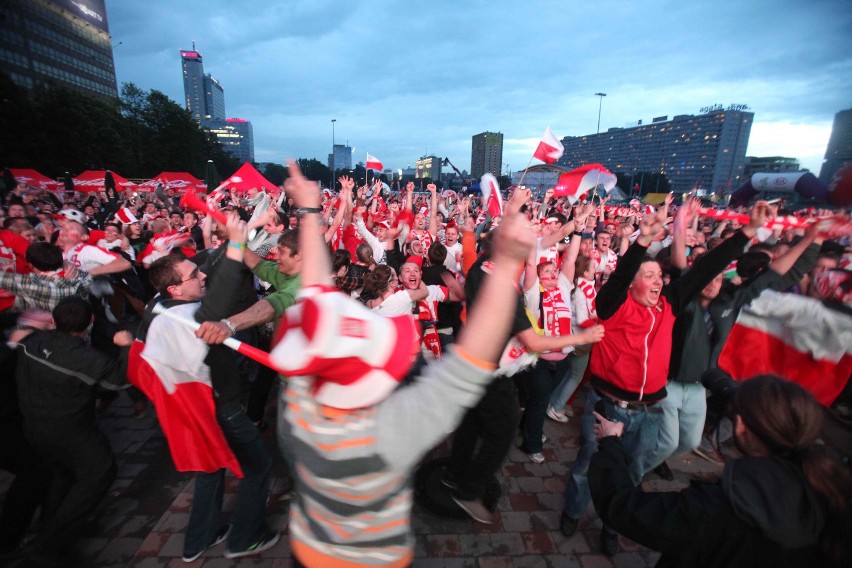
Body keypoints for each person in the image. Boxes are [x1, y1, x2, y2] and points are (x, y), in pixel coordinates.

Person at [270, 160, 537, 567]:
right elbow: (469, 364)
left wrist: (309, 212)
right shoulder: (387, 436)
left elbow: (315, 295)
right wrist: (507, 263)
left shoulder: (301, 408)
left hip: (309, 552)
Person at [560, 197, 768, 555]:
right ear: (632, 284)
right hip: (608, 405)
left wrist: (746, 233)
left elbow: (705, 269)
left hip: (650, 410)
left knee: (633, 473)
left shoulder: (669, 304)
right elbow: (620, 277)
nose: (658, 281)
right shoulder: (615, 306)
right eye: (649, 276)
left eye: (660, 276)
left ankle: (613, 525)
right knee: (587, 466)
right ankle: (573, 510)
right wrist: (642, 242)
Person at [589, 375, 852, 567]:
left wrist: (611, 442)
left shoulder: (718, 508)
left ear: (740, 429)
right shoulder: (830, 487)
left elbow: (624, 507)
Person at [135, 214, 278, 561]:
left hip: (195, 412)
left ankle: (198, 540)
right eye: (193, 275)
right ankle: (244, 539)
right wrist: (237, 247)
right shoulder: (187, 318)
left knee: (210, 471)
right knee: (259, 468)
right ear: (175, 289)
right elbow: (218, 299)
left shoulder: (159, 307)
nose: (201, 275)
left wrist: (241, 233)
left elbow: (211, 268)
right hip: (221, 408)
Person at [11, 297, 132, 566]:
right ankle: (47, 543)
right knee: (100, 471)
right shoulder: (89, 359)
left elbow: (17, 341)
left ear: (54, 321)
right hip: (69, 430)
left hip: (33, 426)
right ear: (90, 322)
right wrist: (125, 348)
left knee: (63, 474)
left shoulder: (32, 342)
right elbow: (119, 382)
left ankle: (53, 529)